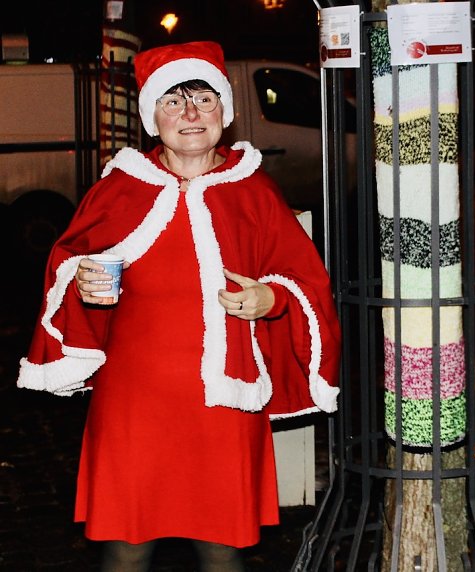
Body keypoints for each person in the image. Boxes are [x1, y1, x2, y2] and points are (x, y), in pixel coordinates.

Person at [17, 41, 341, 571]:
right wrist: (81, 283)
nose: (190, 114)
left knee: (221, 547)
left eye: (204, 100)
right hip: (134, 400)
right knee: (126, 545)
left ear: (224, 112)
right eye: (173, 101)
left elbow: (304, 281)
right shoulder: (119, 188)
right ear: (153, 118)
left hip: (224, 402)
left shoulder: (254, 191)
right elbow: (68, 262)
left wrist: (269, 297)